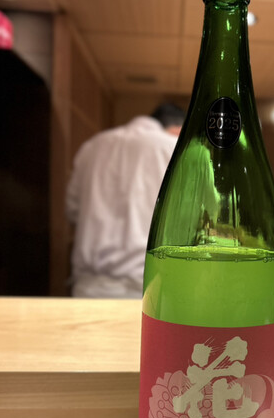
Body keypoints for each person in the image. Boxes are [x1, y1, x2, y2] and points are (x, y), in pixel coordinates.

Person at [66, 103, 185, 298]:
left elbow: (73, 210)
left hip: (90, 286)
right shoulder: (173, 148)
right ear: (177, 130)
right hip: (151, 285)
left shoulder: (91, 147)